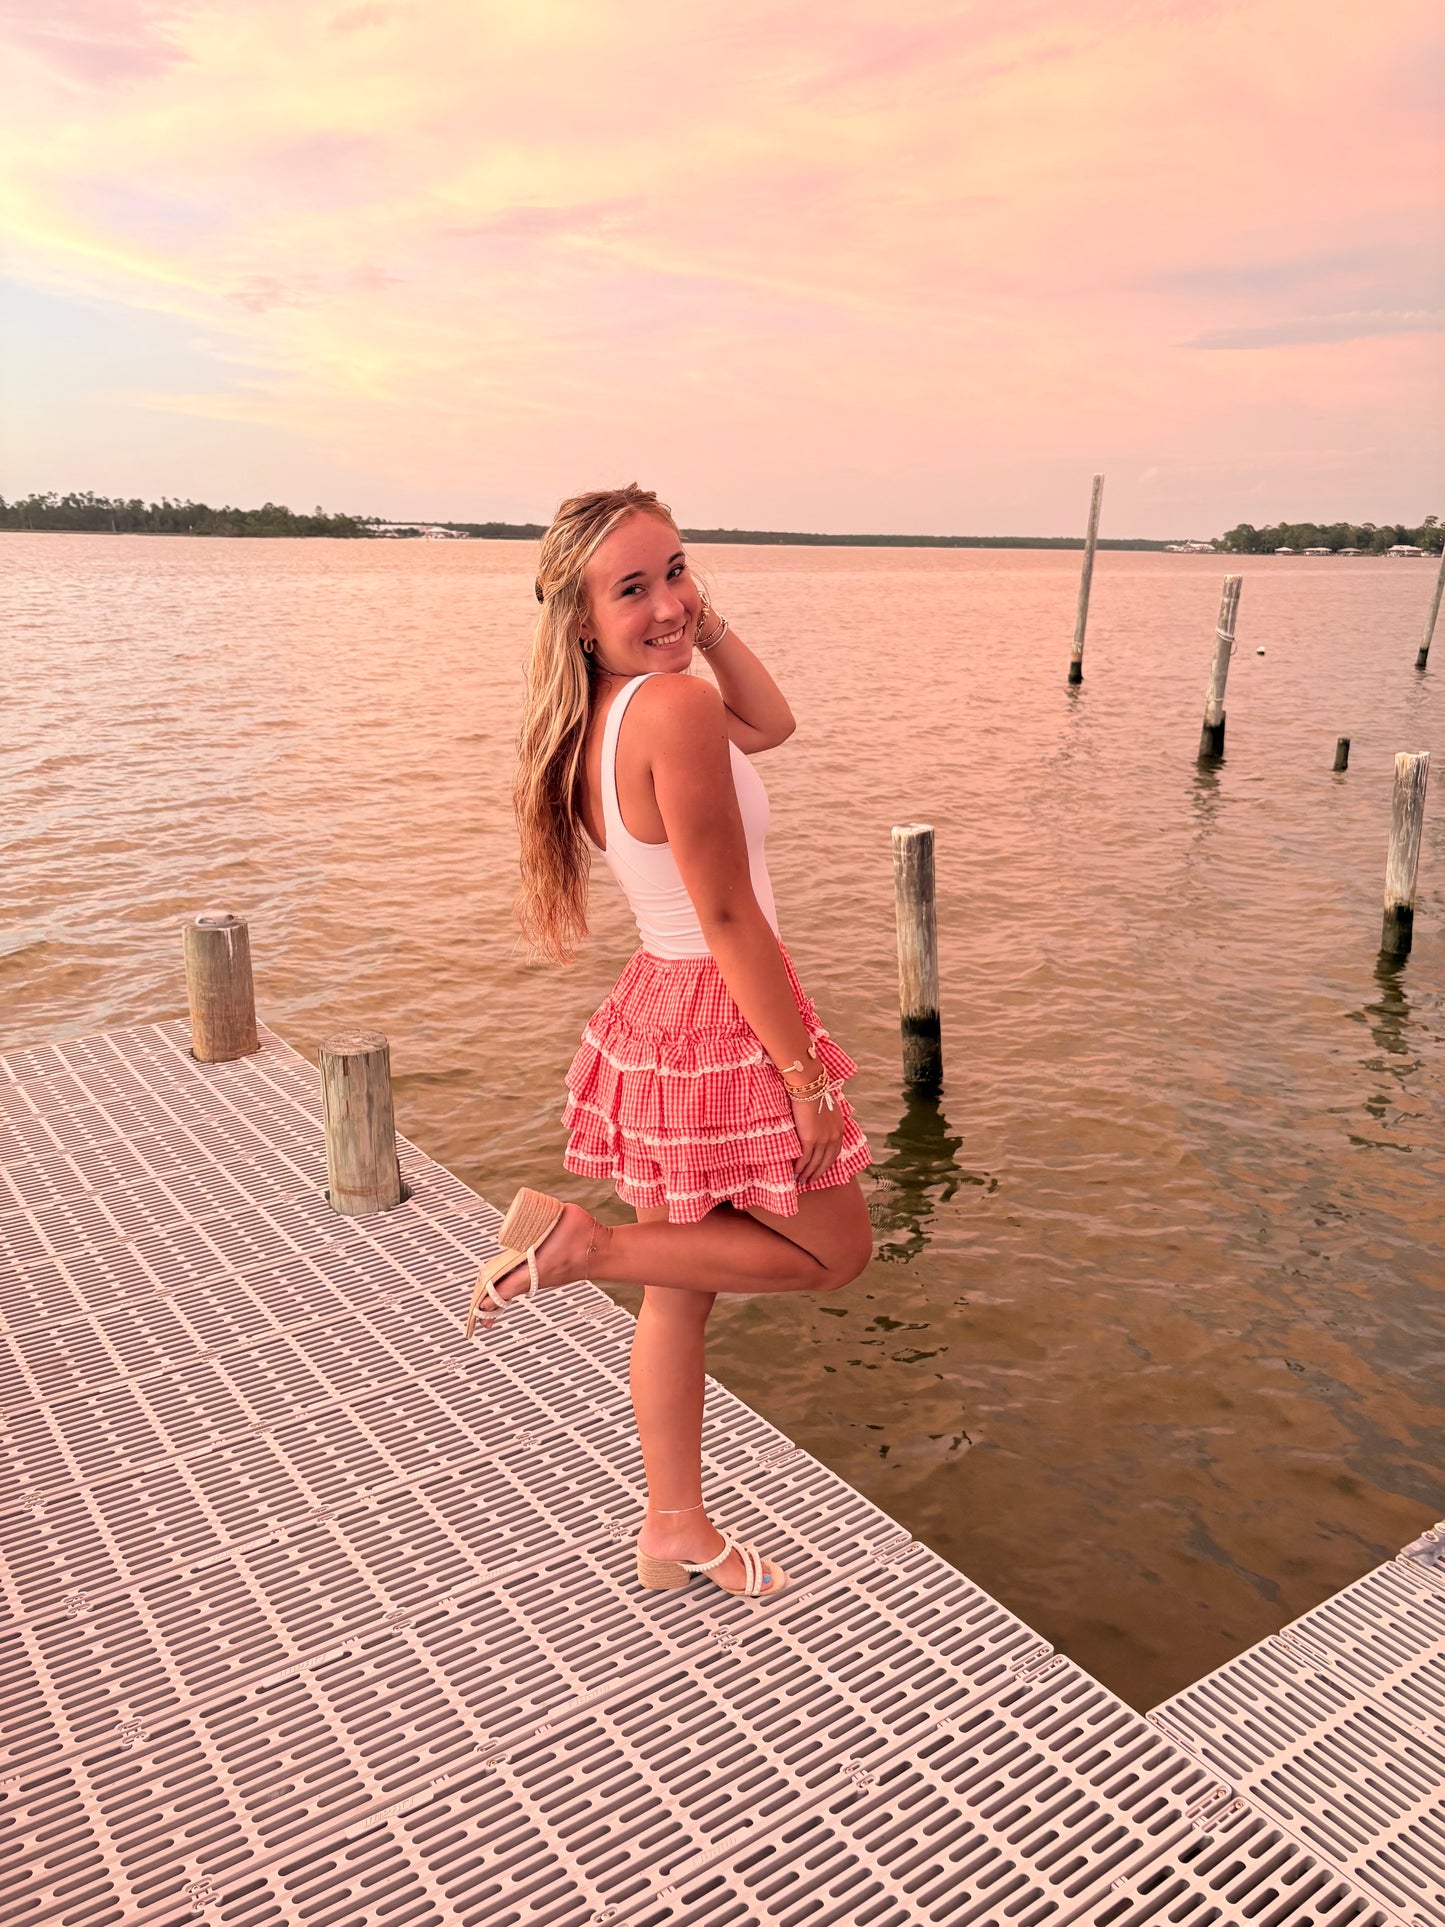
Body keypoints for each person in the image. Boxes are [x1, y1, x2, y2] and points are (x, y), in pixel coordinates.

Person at [472, 484, 873, 1601]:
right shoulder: (672, 712)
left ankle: (671, 1524)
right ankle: (575, 1250)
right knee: (837, 1251)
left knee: (678, 1290)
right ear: (581, 619)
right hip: (719, 1013)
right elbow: (729, 912)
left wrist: (700, 618)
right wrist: (801, 1078)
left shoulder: (605, 717)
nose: (666, 603)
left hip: (656, 1012)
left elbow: (775, 723)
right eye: (632, 588)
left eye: (678, 569)